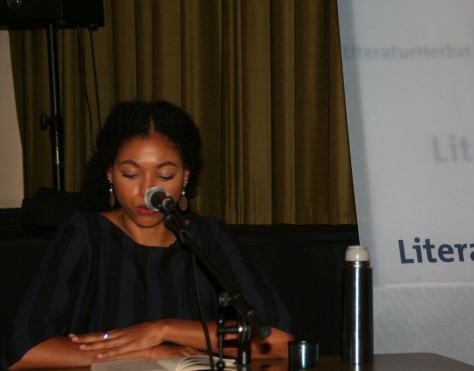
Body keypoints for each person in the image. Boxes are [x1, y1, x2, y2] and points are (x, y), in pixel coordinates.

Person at [1, 100, 293, 369]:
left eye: (165, 176)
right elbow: (23, 350)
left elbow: (279, 342)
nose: (147, 192)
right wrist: (149, 353)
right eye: (131, 174)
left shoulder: (207, 237)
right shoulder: (85, 235)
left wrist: (163, 329)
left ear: (185, 176)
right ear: (109, 173)